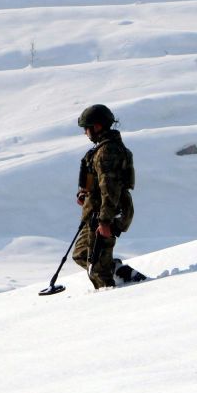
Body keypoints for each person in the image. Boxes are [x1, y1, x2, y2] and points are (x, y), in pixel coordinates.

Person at [74, 104, 135, 289]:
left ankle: (110, 300)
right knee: (81, 253)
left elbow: (110, 188)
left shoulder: (107, 152)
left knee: (98, 270)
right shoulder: (103, 149)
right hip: (97, 212)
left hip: (105, 214)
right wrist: (86, 195)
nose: (86, 132)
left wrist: (105, 221)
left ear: (98, 126)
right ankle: (118, 271)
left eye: (87, 127)